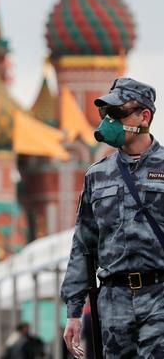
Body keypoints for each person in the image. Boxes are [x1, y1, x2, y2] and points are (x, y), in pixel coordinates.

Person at [61, 78, 164, 358]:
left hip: (159, 295)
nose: (109, 121)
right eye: (105, 114)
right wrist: (73, 312)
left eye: (118, 113)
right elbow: (83, 245)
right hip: (113, 300)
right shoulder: (97, 174)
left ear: (144, 116)